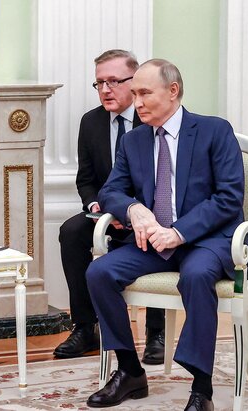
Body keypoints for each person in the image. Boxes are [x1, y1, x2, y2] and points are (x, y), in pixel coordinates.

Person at [85, 59, 245, 411]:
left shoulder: (214, 130)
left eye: (144, 93)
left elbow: (229, 198)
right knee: (99, 272)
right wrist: (132, 209)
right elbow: (110, 191)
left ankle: (201, 389)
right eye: (134, 93)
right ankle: (130, 371)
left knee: (197, 275)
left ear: (173, 91)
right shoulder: (133, 140)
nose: (137, 102)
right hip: (154, 242)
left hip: (208, 240)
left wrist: (179, 232)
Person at [55, 49, 165, 364]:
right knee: (71, 232)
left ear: (135, 81)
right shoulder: (91, 122)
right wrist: (97, 207)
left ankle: (156, 333)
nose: (105, 90)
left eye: (114, 81)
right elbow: (86, 179)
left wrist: (133, 211)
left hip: (149, 213)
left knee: (156, 234)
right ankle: (85, 327)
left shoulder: (153, 120)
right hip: (104, 214)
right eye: (99, 83)